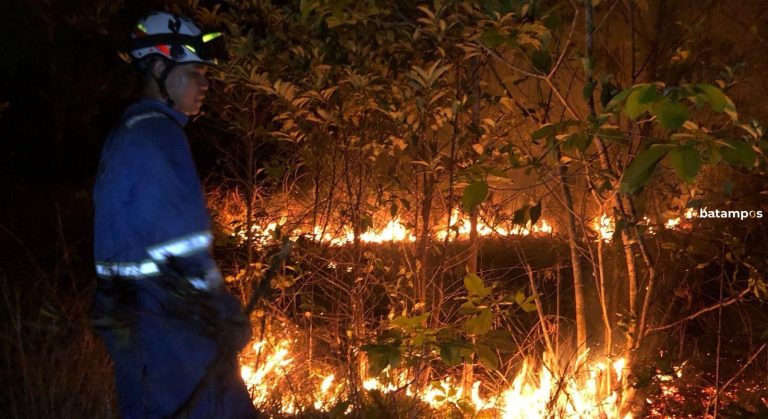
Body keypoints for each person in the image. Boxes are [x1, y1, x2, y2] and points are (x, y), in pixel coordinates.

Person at [91, 11, 258, 418]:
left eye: (206, 74)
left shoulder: (130, 131)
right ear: (161, 68)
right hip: (175, 331)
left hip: (140, 325)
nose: (205, 84)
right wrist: (223, 313)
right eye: (195, 72)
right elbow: (180, 248)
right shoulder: (157, 137)